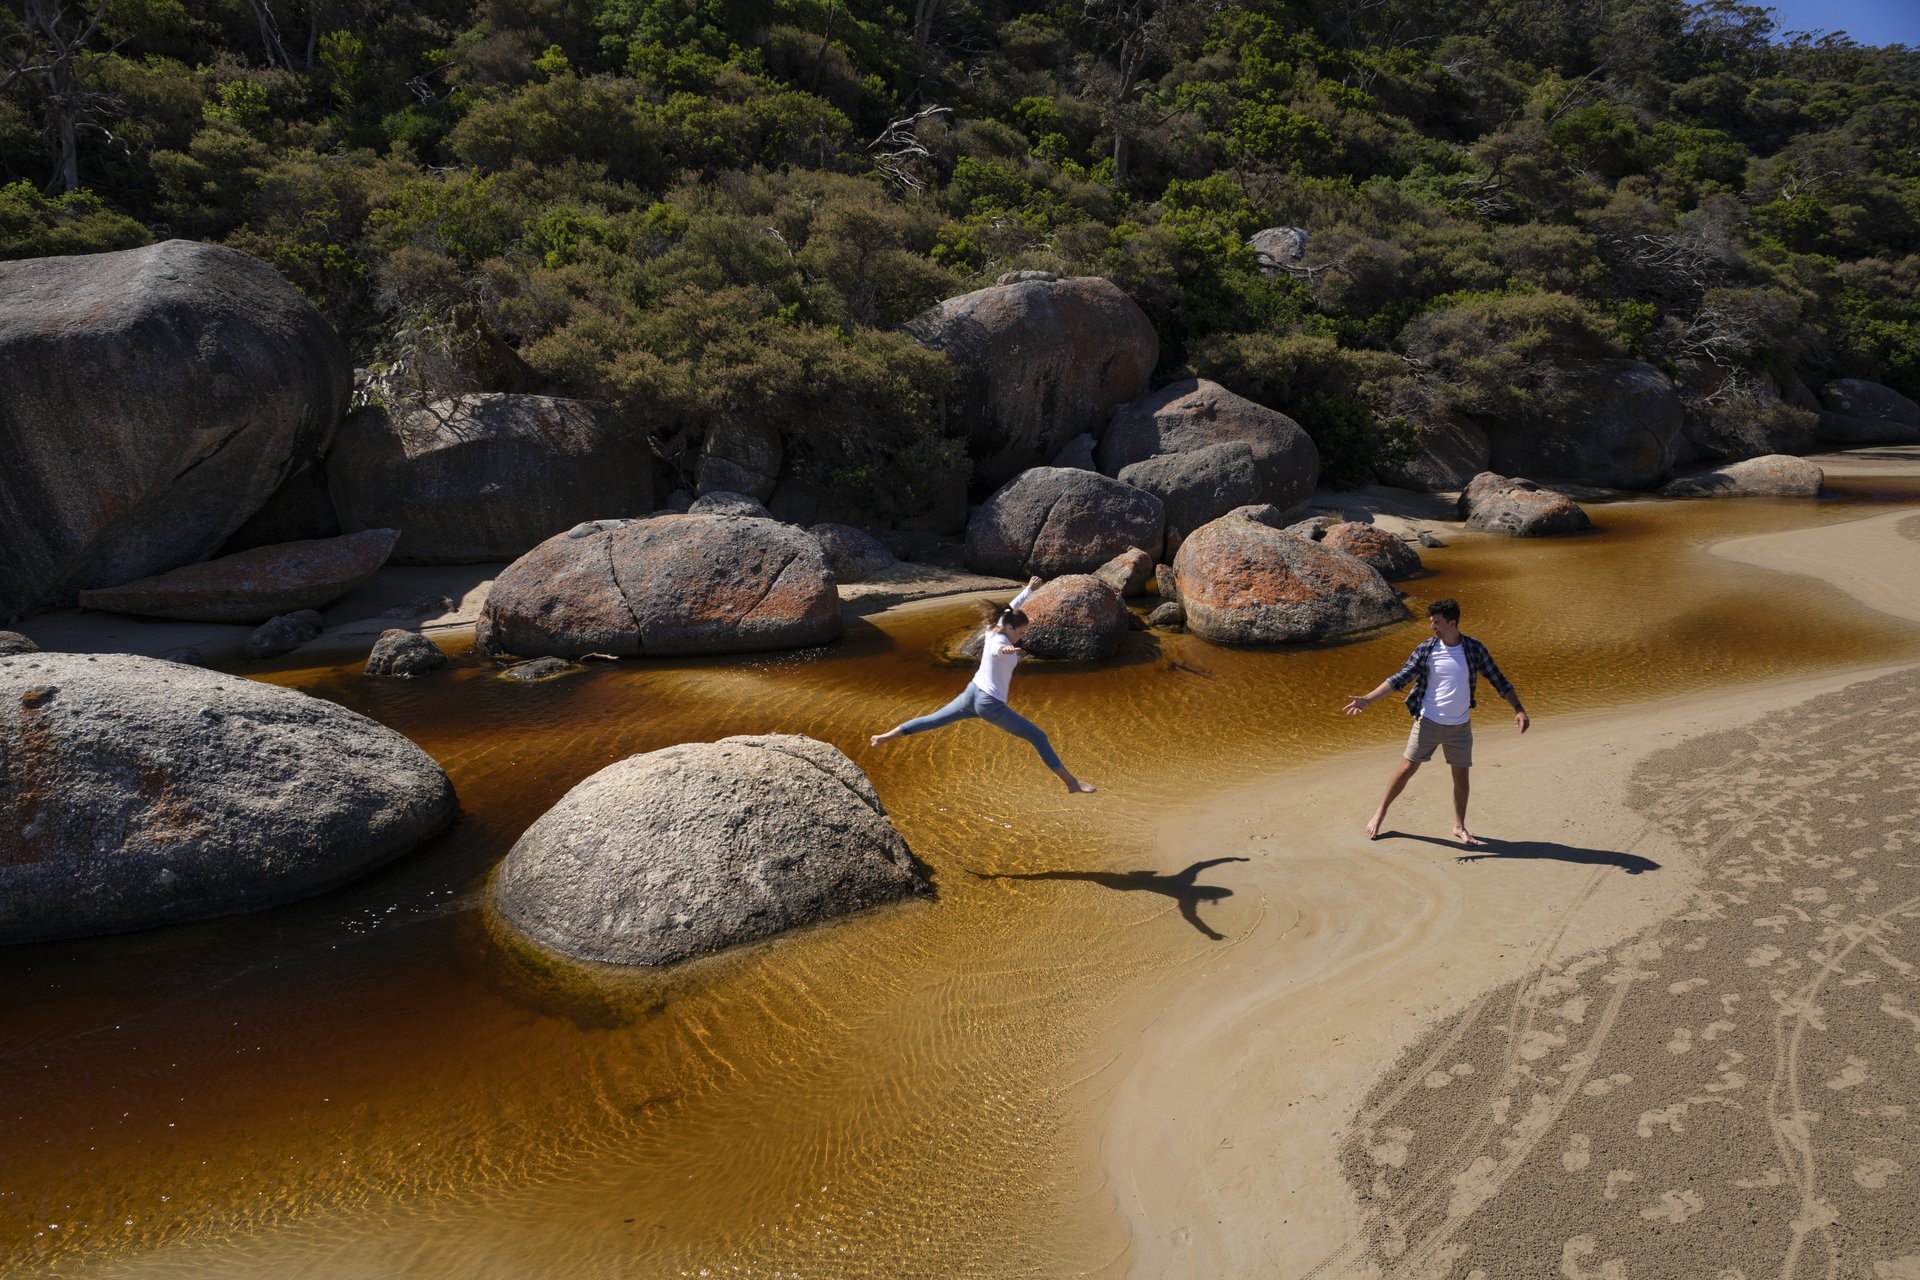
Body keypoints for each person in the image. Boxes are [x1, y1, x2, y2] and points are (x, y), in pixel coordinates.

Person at [871, 576, 1097, 794]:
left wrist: (1029, 590)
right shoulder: (1000, 641)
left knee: (934, 720)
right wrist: (1006, 650)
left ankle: (884, 737)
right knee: (1039, 737)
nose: (1020, 638)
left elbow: (1011, 606)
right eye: (1019, 633)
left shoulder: (997, 626)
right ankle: (1071, 783)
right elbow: (996, 650)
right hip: (990, 704)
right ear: (1010, 629)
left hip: (972, 693)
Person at [1341, 598, 1528, 845]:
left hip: (1460, 726)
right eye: (1431, 622)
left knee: (1461, 777)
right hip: (1428, 721)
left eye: (1437, 622)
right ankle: (1380, 812)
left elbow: (1499, 680)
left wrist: (1518, 708)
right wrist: (1367, 699)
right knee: (1406, 768)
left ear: (1452, 623)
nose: (1433, 627)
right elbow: (1399, 679)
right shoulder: (1426, 650)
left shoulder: (1473, 649)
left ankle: (1459, 826)